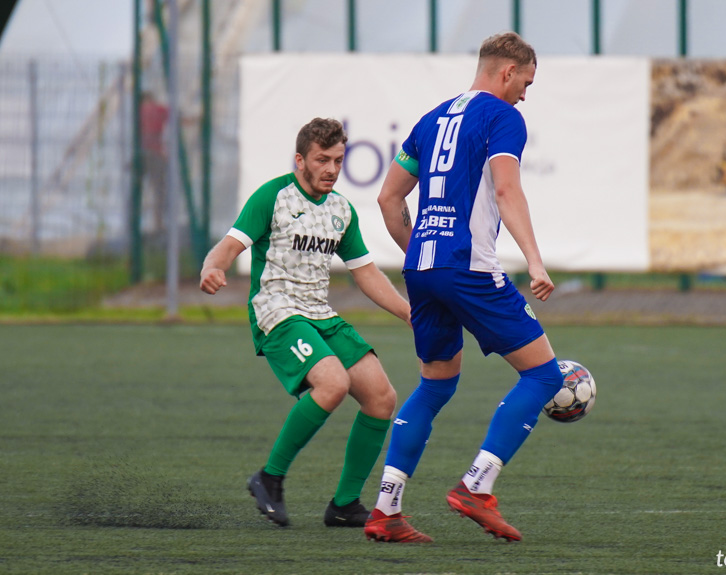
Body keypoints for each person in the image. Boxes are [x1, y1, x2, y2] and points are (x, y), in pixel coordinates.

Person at [364, 31, 563, 543]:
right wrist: (535, 262)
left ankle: (386, 510)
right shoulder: (502, 117)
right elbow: (505, 186)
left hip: (422, 268)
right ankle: (477, 486)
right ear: (506, 73)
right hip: (468, 268)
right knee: (544, 378)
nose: (525, 94)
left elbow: (388, 199)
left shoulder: (430, 121)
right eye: (526, 82)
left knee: (435, 384)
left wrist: (424, 255)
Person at [200, 117, 411, 528]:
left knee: (382, 398)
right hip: (277, 312)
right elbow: (228, 246)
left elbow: (365, 272)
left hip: (320, 314)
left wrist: (408, 313)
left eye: (338, 160)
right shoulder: (274, 196)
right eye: (322, 159)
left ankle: (345, 505)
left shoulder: (341, 210)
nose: (331, 168)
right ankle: (269, 477)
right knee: (333, 383)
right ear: (300, 160)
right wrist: (213, 267)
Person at [140, 91, 169, 231]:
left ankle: (134, 225)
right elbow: (180, 119)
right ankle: (158, 224)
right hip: (155, 154)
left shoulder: (138, 111)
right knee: (159, 191)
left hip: (140, 154)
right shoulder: (158, 109)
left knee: (138, 190)